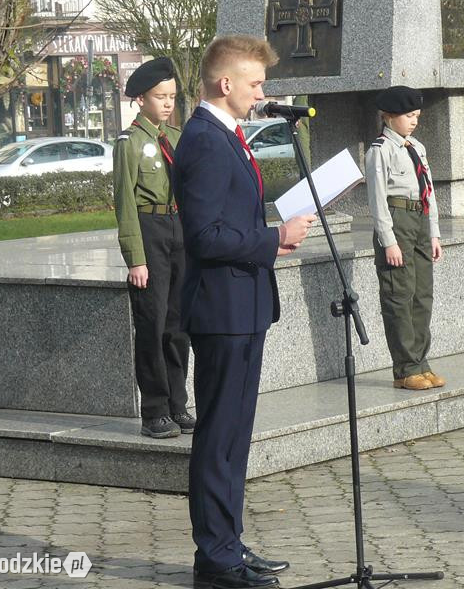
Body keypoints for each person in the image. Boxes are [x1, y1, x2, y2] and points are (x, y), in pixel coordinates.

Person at [173, 35, 316, 589]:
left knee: (235, 436)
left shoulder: (227, 134)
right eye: (255, 84)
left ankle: (228, 543)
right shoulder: (206, 140)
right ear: (224, 83)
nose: (263, 93)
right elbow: (205, 236)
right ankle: (215, 559)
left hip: (244, 304)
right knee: (219, 436)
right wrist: (273, 237)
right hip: (221, 308)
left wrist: (269, 238)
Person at [114, 56, 194, 439]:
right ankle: (155, 411)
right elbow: (125, 203)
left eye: (172, 96)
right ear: (141, 99)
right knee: (152, 323)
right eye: (160, 96)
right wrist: (136, 258)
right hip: (149, 228)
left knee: (178, 326)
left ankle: (178, 403)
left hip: (178, 228)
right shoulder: (130, 144)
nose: (167, 103)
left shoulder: (177, 139)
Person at [365, 86, 444, 391]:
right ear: (389, 116)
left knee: (422, 294)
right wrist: (389, 241)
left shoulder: (417, 148)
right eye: (409, 116)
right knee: (400, 294)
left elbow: (430, 193)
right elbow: (377, 199)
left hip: (420, 219)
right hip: (397, 221)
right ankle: (405, 367)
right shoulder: (380, 149)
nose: (414, 121)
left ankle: (421, 362)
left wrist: (434, 233)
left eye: (417, 116)